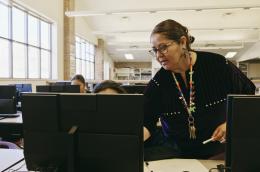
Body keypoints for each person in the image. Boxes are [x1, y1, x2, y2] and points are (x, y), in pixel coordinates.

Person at [143, 19, 256, 160]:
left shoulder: (218, 65)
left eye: (163, 47)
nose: (159, 55)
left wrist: (230, 124)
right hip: (177, 155)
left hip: (219, 151)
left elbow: (247, 97)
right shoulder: (158, 83)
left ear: (183, 42)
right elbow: (146, 122)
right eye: (154, 50)